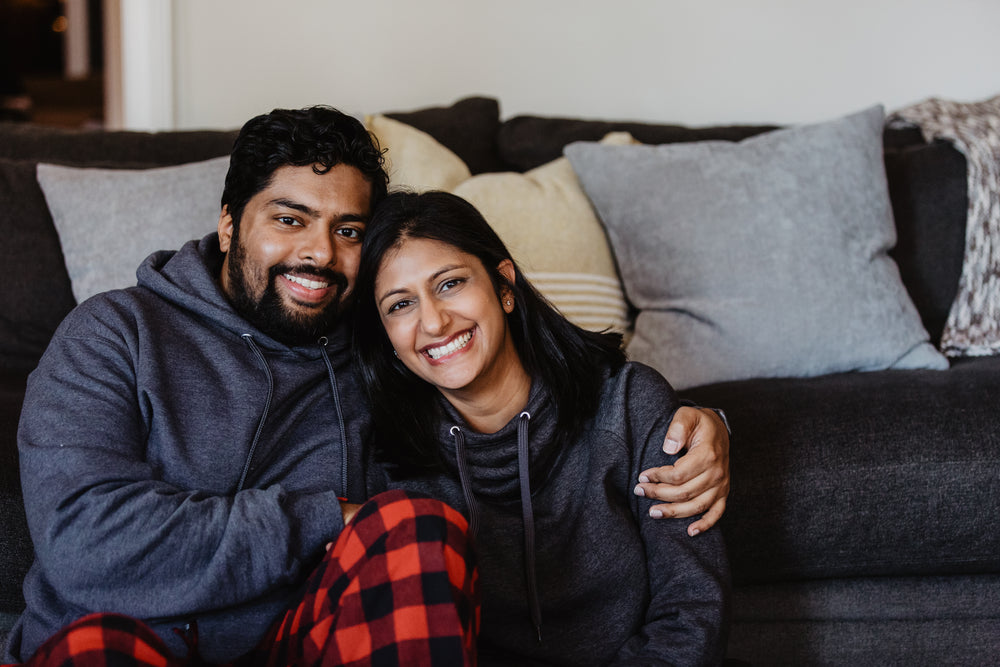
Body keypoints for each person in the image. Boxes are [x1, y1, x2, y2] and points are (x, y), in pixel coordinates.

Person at [6, 106, 730, 665]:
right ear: (229, 225)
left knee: (418, 522)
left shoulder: (378, 349)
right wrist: (325, 516)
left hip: (298, 642)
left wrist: (708, 424)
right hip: (127, 640)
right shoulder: (112, 334)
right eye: (290, 219)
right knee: (92, 648)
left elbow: (513, 411)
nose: (319, 252)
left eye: (349, 230)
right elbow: (84, 547)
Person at [353, 191, 730, 665]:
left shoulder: (628, 405)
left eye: (449, 284)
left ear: (504, 286)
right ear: (387, 339)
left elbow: (692, 609)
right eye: (400, 304)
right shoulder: (383, 455)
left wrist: (718, 424)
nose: (433, 321)